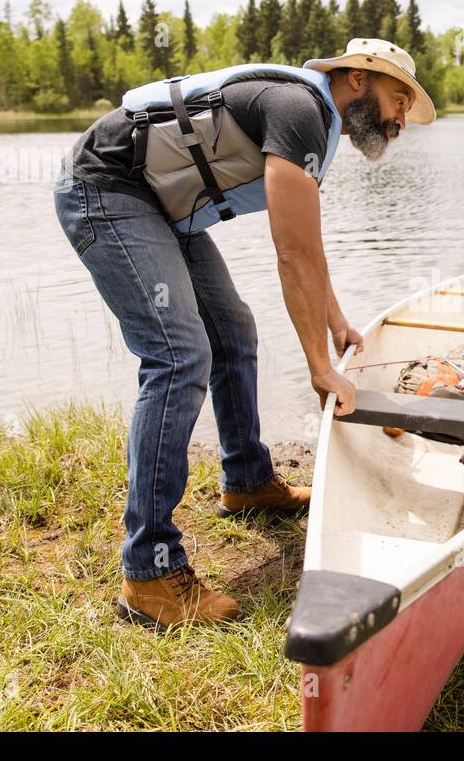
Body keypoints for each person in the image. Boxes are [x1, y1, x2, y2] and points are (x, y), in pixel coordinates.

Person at [53, 38, 435, 631]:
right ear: (358, 80)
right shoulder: (299, 111)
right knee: (179, 357)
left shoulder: (314, 124)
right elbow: (292, 254)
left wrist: (334, 318)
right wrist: (320, 365)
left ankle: (248, 481)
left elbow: (306, 241)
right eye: (398, 99)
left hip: (156, 207)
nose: (401, 120)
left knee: (233, 331)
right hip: (106, 189)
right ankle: (148, 574)